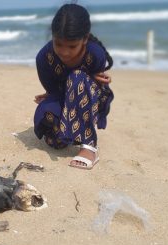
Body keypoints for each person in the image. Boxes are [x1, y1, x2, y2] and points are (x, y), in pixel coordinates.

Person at [33, 3, 114, 170]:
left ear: (85, 39)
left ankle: (89, 145)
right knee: (54, 136)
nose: (64, 52)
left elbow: (96, 88)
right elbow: (54, 91)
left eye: (72, 46)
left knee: (77, 77)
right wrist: (49, 96)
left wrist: (91, 77)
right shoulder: (43, 58)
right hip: (63, 97)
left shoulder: (95, 54)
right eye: (58, 44)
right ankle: (75, 131)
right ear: (52, 37)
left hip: (90, 99)